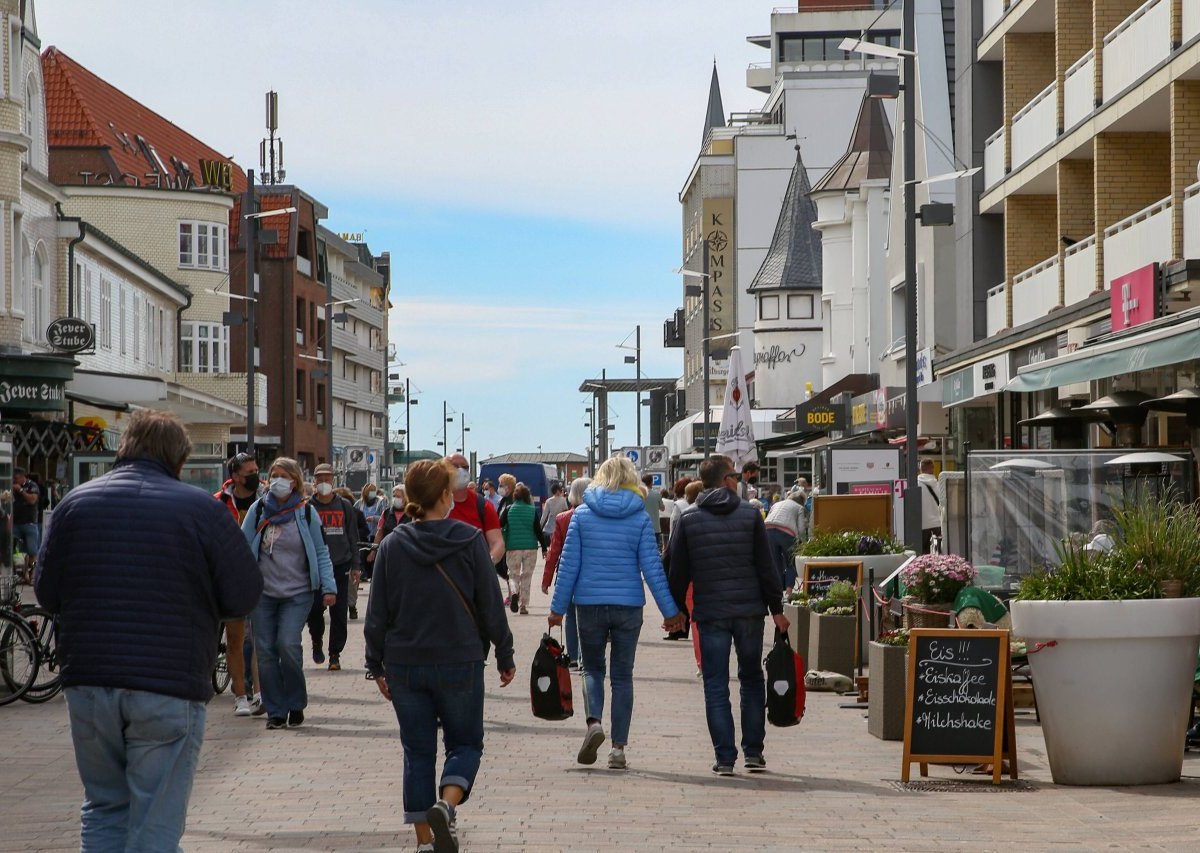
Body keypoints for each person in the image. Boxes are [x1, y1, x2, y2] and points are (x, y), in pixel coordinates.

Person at [35, 408, 262, 850]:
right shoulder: (203, 511)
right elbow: (243, 594)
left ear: (123, 447)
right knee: (156, 817)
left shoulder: (75, 504)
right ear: (179, 461)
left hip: (90, 681)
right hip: (168, 682)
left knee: (104, 808)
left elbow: (47, 594)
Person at [365, 459, 515, 853]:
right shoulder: (468, 540)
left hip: (404, 663)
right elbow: (490, 606)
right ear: (447, 496)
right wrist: (505, 653)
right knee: (465, 745)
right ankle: (446, 806)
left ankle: (423, 842)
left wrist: (373, 663)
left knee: (417, 751)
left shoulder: (393, 544)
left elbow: (377, 611)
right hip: (459, 659)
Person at [550, 457, 684, 770]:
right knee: (622, 677)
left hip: (589, 604)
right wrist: (670, 612)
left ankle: (594, 722)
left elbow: (569, 565)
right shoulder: (638, 517)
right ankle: (618, 749)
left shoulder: (582, 515)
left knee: (592, 669)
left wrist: (557, 609)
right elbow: (652, 567)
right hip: (628, 606)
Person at [667, 453, 788, 776]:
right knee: (750, 679)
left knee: (715, 684)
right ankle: (753, 752)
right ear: (726, 480)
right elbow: (767, 568)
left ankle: (724, 757)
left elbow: (677, 570)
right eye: (734, 475)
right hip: (749, 611)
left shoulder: (689, 519)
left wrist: (675, 611)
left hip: (710, 612)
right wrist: (776, 609)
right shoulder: (750, 515)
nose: (738, 480)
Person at [242, 457, 336, 730]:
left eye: (283, 475)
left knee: (287, 644)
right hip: (264, 593)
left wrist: (329, 587)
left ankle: (296, 702)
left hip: (297, 592)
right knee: (266, 651)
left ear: (294, 480)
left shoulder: (305, 513)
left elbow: (320, 551)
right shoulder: (259, 510)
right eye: (273, 475)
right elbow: (243, 545)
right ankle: (276, 711)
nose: (277, 480)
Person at [214, 452, 266, 716]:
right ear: (235, 477)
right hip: (230, 577)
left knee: (258, 639)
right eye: (250, 472)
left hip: (261, 577)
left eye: (257, 470)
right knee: (234, 639)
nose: (256, 476)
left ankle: (259, 693)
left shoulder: (266, 501)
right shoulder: (218, 503)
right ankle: (240, 696)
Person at [306, 464, 362, 671]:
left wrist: (356, 565)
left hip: (340, 564)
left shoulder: (345, 506)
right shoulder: (308, 507)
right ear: (314, 481)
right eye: (320, 479)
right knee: (314, 610)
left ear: (334, 481)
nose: (324, 484)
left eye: (327, 479)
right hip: (316, 567)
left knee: (339, 612)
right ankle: (317, 641)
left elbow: (352, 537)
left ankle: (334, 654)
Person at [541, 477, 590, 668]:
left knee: (570, 614)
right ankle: (584, 655)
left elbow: (554, 552)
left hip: (567, 571)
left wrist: (546, 580)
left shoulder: (563, 518)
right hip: (589, 572)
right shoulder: (598, 516)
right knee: (586, 614)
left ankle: (573, 656)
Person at [500, 483, 541, 615]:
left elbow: (499, 525)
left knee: (513, 574)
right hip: (530, 547)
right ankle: (523, 605)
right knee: (527, 576)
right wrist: (545, 548)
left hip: (513, 547)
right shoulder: (532, 510)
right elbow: (538, 530)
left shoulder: (509, 509)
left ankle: (514, 593)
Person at [764, 484, 808, 591]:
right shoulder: (799, 507)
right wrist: (804, 543)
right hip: (786, 533)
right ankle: (789, 591)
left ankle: (778, 591)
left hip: (768, 530)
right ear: (802, 501)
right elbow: (801, 529)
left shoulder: (776, 504)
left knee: (775, 563)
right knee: (791, 563)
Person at [339, 487, 373, 620]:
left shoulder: (356, 513)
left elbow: (365, 529)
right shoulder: (333, 512)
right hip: (336, 551)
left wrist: (354, 535)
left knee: (352, 583)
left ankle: (351, 606)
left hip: (352, 549)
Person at [353, 482, 386, 616]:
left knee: (374, 559)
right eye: (369, 491)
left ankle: (374, 581)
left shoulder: (381, 502)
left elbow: (384, 516)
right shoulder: (359, 503)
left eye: (374, 491)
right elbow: (353, 514)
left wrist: (374, 518)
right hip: (364, 536)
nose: (371, 493)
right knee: (363, 559)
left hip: (375, 534)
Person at [11, 467, 40, 580]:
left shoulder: (31, 486)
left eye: (16, 478)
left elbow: (32, 500)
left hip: (29, 523)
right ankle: (20, 574)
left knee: (32, 550)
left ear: (23, 477)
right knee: (16, 551)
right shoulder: (11, 486)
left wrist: (21, 491)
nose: (14, 480)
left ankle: (31, 574)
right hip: (15, 523)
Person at [918, 459, 942, 553]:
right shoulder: (939, 485)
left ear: (920, 469)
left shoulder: (915, 484)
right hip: (937, 524)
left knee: (923, 555)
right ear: (932, 468)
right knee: (938, 554)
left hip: (922, 525)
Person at [539, 482, 568, 556]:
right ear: (558, 490)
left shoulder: (549, 501)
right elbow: (566, 512)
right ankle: (558, 555)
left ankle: (552, 555)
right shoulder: (563, 500)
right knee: (560, 541)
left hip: (551, 523)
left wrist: (540, 526)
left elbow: (544, 515)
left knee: (552, 541)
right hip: (560, 523)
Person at [641, 474, 663, 548]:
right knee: (656, 548)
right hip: (655, 526)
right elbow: (662, 508)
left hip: (642, 526)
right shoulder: (657, 494)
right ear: (651, 482)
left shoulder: (640, 494)